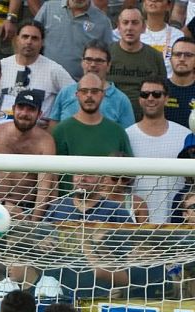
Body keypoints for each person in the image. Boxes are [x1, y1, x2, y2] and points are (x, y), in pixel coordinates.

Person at [0, 89, 56, 218]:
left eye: (30, 109)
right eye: (21, 107)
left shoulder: (45, 142)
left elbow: (44, 188)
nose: (24, 113)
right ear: (13, 109)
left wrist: (32, 225)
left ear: (39, 114)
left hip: (27, 209)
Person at [126, 77, 190, 223]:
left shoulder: (184, 135)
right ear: (139, 99)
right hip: (137, 225)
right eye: (145, 94)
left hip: (176, 223)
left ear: (166, 98)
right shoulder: (127, 135)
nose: (150, 98)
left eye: (156, 94)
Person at [48, 40, 135, 130]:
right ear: (82, 62)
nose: (93, 65)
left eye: (99, 61)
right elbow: (53, 130)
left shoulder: (121, 100)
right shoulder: (65, 93)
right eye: (89, 60)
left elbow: (128, 136)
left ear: (109, 65)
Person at [0, 21, 73, 122]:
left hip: (38, 132)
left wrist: (55, 122)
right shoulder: (1, 66)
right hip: (2, 129)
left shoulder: (54, 70)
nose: (29, 42)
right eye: (25, 37)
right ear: (16, 39)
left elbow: (75, 97)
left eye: (34, 38)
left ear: (42, 42)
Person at [53, 73, 134, 158]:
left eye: (94, 91)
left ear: (103, 95)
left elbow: (129, 167)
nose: (89, 95)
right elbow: (55, 169)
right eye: (84, 91)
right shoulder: (61, 131)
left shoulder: (117, 131)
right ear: (77, 95)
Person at [109, 8, 167, 120]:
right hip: (111, 117)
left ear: (143, 27)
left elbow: (162, 92)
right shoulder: (106, 54)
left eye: (135, 23)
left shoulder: (155, 56)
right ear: (118, 27)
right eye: (125, 23)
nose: (129, 28)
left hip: (145, 118)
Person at [35, 0, 113, 80]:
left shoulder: (102, 21)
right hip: (45, 80)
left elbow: (108, 55)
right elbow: (33, 36)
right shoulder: (49, 8)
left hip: (80, 85)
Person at [165, 36, 195, 127]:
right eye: (177, 54)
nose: (182, 59)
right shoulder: (159, 90)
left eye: (188, 55)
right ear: (170, 59)